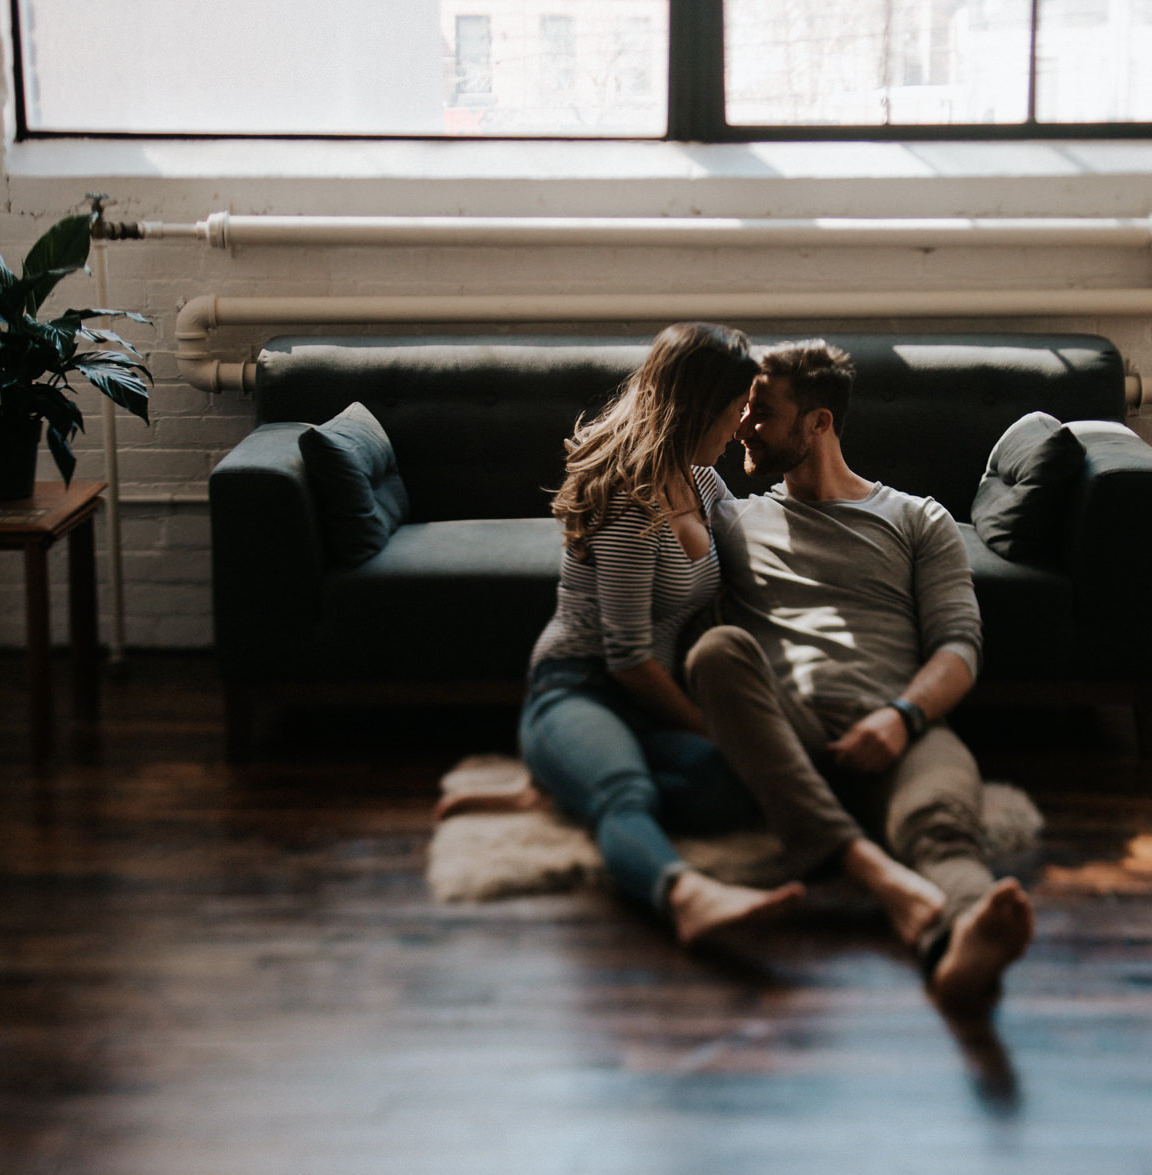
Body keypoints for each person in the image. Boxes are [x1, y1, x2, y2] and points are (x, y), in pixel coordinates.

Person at [686, 339, 1037, 1012]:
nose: (743, 427)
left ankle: (959, 943)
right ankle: (878, 879)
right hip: (787, 729)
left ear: (818, 423)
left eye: (762, 412)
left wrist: (902, 718)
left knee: (940, 827)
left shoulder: (917, 518)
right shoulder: (732, 517)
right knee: (717, 652)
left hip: (897, 724)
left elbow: (960, 646)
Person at [440, 322, 807, 947]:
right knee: (627, 791)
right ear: (695, 411)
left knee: (737, 782)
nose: (739, 429)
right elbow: (628, 659)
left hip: (647, 704)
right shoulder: (627, 505)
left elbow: (753, 581)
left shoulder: (703, 480)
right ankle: (685, 893)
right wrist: (707, 724)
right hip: (581, 688)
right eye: (732, 412)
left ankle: (561, 789)